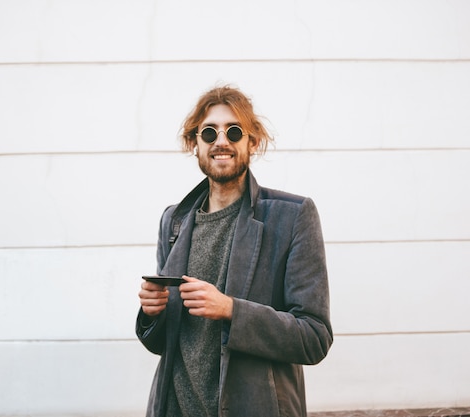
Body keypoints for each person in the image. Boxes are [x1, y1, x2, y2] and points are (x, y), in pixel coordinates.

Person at [136, 84, 332, 417]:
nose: (221, 141)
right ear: (194, 144)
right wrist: (152, 313)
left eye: (235, 131)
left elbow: (313, 337)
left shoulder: (292, 216)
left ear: (252, 142)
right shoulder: (174, 222)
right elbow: (164, 346)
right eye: (209, 133)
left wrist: (231, 310)